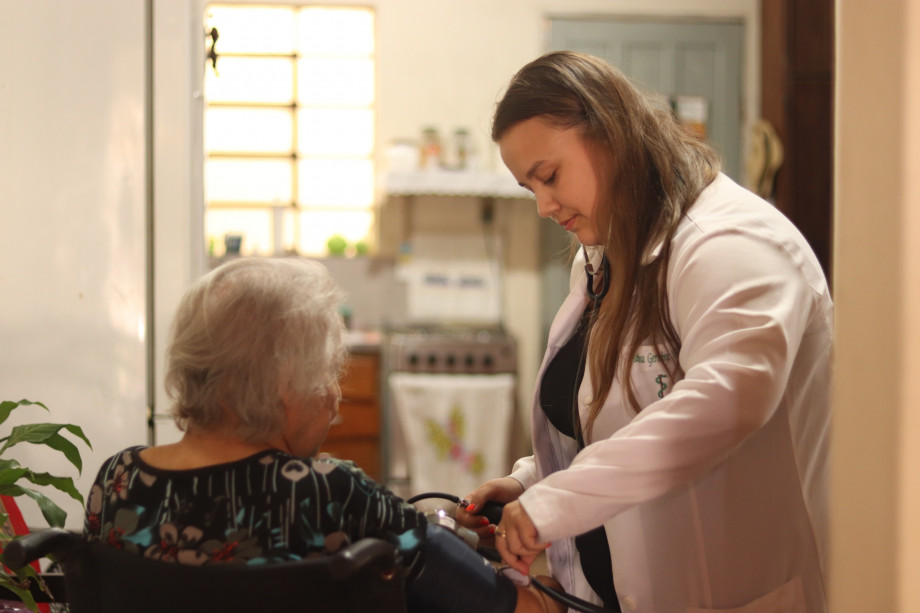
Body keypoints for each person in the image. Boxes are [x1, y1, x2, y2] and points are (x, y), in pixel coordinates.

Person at [457, 51, 832, 612]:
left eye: (549, 176)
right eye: (527, 188)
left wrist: (558, 500)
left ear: (610, 133)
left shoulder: (729, 244)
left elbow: (725, 402)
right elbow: (613, 408)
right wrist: (535, 478)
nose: (542, 205)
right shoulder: (606, 250)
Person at [83, 256, 563, 613]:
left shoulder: (117, 480)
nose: (335, 398)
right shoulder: (327, 492)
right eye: (327, 374)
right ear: (284, 387)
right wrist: (558, 590)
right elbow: (509, 610)